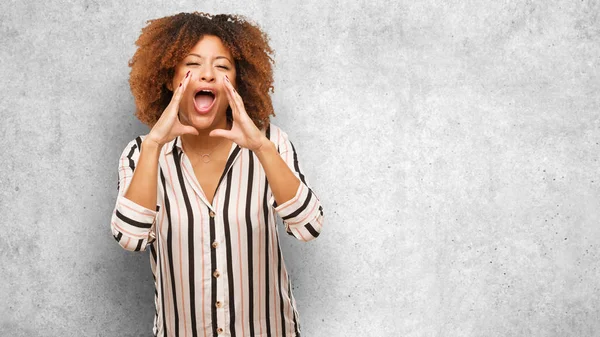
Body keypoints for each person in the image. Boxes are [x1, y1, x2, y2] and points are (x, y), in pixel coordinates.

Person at [109, 12, 324, 337]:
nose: (207, 75)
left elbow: (309, 226)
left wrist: (262, 149)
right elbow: (130, 238)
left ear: (237, 82)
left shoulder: (272, 143)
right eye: (192, 64)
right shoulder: (141, 153)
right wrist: (154, 144)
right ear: (170, 78)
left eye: (222, 67)